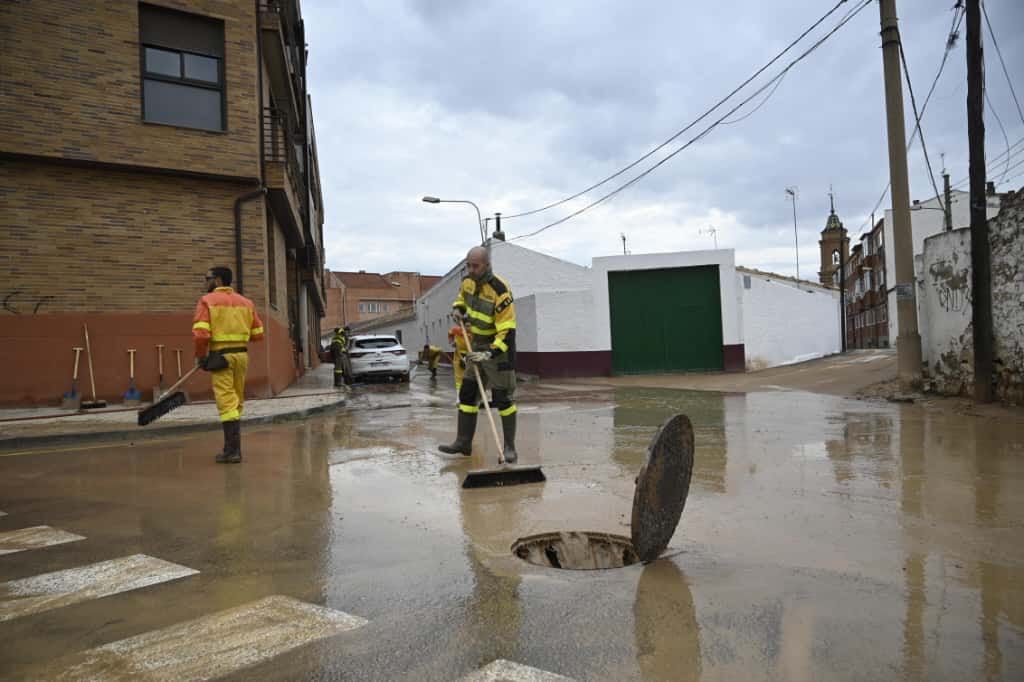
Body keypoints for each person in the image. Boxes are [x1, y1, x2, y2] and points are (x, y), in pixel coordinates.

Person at [438, 246, 518, 463]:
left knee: (503, 399)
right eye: (468, 265)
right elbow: (462, 299)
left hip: (499, 350)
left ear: (487, 265)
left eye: (475, 266)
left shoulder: (500, 290)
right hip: (477, 345)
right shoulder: (467, 281)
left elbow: (507, 330)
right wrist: (458, 310)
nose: (471, 269)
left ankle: (510, 449)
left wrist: (489, 354)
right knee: (467, 394)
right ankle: (463, 443)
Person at [192, 266, 264, 463]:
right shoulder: (247, 303)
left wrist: (200, 356)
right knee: (236, 399)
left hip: (220, 357)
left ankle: (232, 451)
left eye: (206, 278)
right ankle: (231, 447)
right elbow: (258, 335)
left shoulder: (207, 301)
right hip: (241, 356)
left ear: (217, 280)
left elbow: (200, 334)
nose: (204, 282)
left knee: (226, 401)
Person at [447, 325, 469, 392]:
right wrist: (452, 342)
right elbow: (450, 334)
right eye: (466, 325)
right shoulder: (456, 329)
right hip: (458, 354)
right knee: (458, 376)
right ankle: (458, 395)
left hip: (470, 354)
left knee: (470, 376)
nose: (467, 327)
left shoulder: (474, 332)